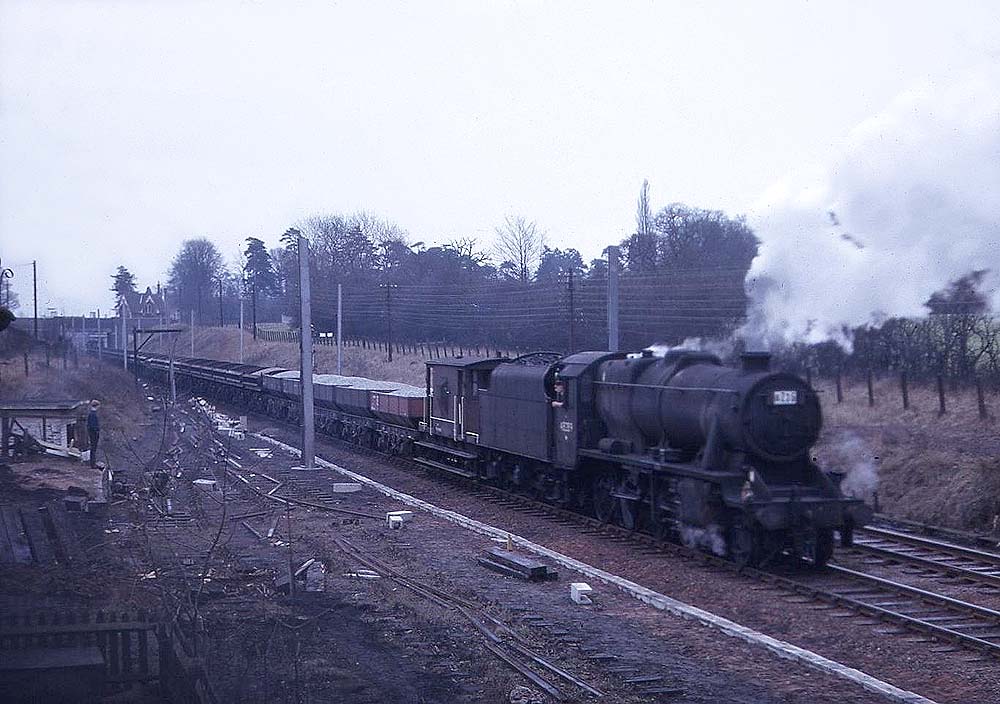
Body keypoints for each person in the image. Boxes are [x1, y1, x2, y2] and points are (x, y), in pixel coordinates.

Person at [87, 399, 101, 468]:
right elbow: (93, 426)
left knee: (93, 448)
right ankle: (92, 464)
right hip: (93, 434)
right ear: (97, 406)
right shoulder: (93, 414)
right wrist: (97, 431)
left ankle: (93, 463)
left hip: (92, 433)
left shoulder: (91, 414)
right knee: (93, 448)